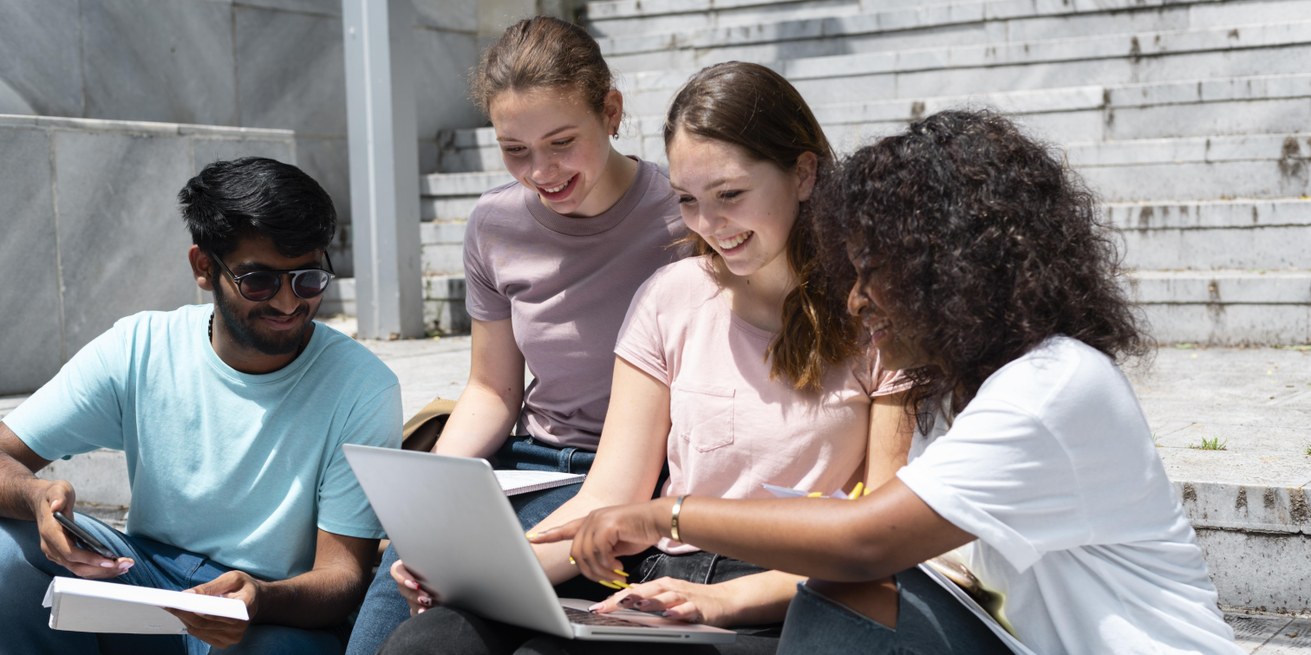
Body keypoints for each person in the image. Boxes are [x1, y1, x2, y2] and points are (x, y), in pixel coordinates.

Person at [534, 108, 1245, 654]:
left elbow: (865, 537)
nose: (855, 298)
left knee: (849, 588)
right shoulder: (966, 380)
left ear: (955, 270)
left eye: (877, 272)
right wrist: (719, 599)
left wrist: (666, 514)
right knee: (846, 594)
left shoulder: (1051, 388)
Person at [377, 61, 911, 655]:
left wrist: (727, 600)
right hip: (658, 573)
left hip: (789, 594)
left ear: (804, 173)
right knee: (431, 640)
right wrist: (479, 574)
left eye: (730, 194)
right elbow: (608, 495)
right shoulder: (671, 294)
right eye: (687, 200)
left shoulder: (876, 313)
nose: (710, 225)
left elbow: (884, 541)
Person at [344, 16, 687, 654]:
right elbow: (491, 388)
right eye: (515, 149)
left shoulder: (680, 219)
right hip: (524, 467)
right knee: (389, 608)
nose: (542, 171)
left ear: (611, 111)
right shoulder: (495, 223)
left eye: (562, 142)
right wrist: (432, 509)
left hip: (632, 483)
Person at [0, 156, 402, 654]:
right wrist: (34, 498)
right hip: (142, 575)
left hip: (270, 614)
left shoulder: (362, 387)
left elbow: (342, 576)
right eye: (259, 281)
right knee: (4, 555)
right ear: (203, 267)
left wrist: (260, 600)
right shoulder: (139, 346)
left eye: (308, 280)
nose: (287, 303)